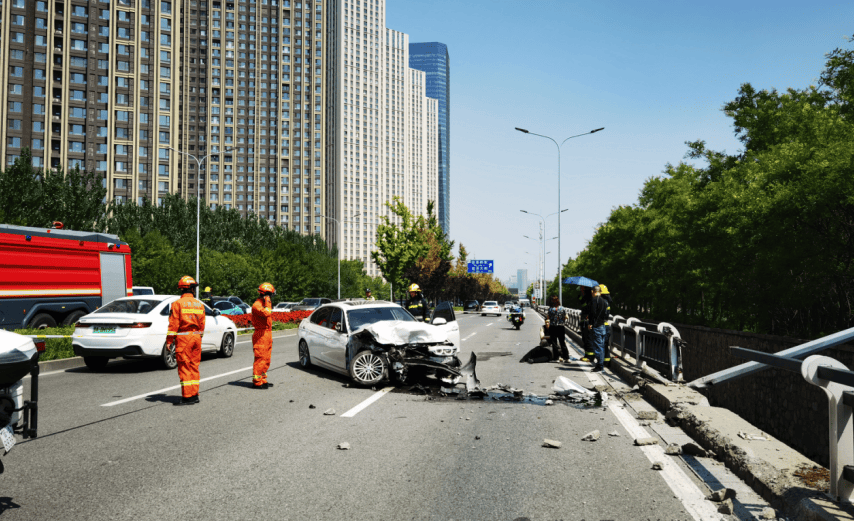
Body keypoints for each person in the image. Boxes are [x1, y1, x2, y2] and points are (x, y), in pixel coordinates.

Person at [166, 276, 206, 406]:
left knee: (184, 367)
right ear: (191, 289)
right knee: (194, 366)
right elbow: (202, 323)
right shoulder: (199, 304)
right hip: (196, 337)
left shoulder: (177, 304)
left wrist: (169, 340)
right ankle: (194, 395)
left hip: (184, 337)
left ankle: (187, 397)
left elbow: (173, 324)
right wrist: (199, 336)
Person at [251, 282, 276, 389]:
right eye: (270, 295)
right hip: (261, 334)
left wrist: (267, 301)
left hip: (267, 333)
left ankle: (262, 379)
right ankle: (257, 381)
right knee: (260, 358)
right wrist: (268, 301)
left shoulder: (264, 304)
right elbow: (267, 313)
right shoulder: (257, 305)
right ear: (267, 294)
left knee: (266, 358)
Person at [583, 285, 609, 372]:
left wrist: (590, 323)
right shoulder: (604, 302)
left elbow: (592, 313)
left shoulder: (594, 300)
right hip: (603, 326)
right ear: (600, 292)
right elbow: (606, 315)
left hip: (596, 326)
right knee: (601, 346)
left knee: (598, 347)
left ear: (592, 292)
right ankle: (600, 364)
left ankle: (599, 365)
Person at [547, 296, 569, 362]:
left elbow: (548, 317)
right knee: (562, 342)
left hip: (553, 327)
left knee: (554, 343)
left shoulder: (550, 309)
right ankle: (567, 358)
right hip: (561, 327)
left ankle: (556, 358)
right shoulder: (562, 308)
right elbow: (566, 317)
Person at [578, 286, 595, 362]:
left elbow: (586, 308)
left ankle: (590, 357)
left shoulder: (589, 298)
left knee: (588, 339)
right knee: (585, 339)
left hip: (587, 321)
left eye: (582, 288)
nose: (581, 290)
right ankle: (586, 355)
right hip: (584, 321)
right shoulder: (585, 297)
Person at [600, 284, 613, 367]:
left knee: (601, 344)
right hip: (606, 324)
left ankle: (603, 361)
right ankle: (607, 361)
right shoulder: (607, 302)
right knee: (605, 344)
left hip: (601, 325)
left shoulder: (601, 302)